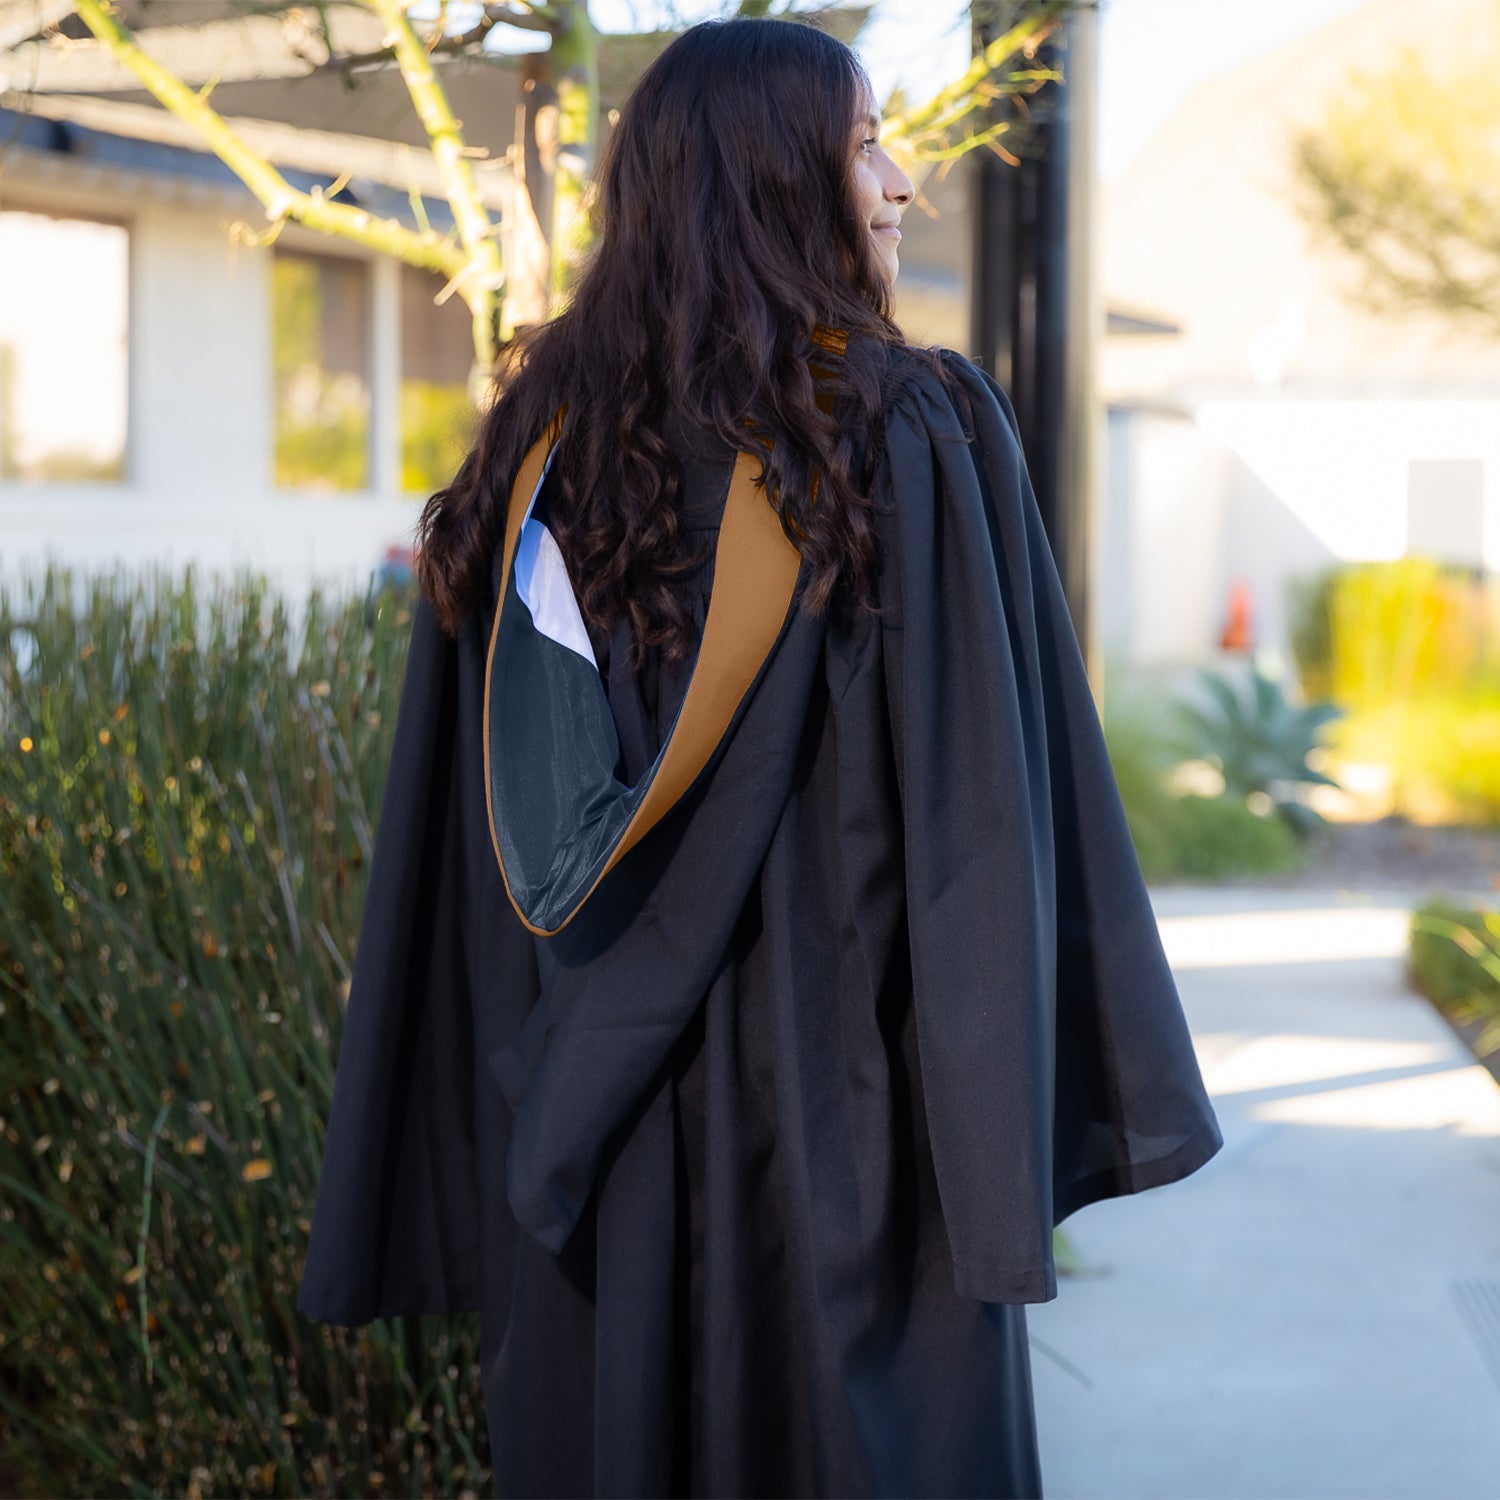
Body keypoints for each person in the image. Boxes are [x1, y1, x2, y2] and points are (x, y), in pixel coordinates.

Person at [296, 16, 1224, 1500]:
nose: (902, 182)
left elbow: (474, 872)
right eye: (864, 143)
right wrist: (993, 1178)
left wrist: (507, 1133)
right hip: (843, 1153)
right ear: (772, 179)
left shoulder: (531, 458)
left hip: (587, 1150)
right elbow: (984, 831)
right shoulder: (905, 430)